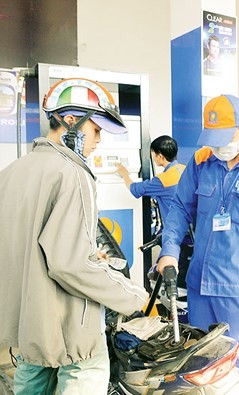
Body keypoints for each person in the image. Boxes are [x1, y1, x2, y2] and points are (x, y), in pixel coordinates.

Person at [0, 78, 148, 393]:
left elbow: (30, 248)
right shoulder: (73, 173)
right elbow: (70, 264)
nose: (99, 140)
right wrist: (133, 295)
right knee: (88, 374)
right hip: (71, 324)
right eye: (96, 130)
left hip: (29, 325)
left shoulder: (12, 172)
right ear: (71, 122)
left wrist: (87, 254)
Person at [156, 94, 239, 391]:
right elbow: (180, 208)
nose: (218, 147)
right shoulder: (201, 160)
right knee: (202, 366)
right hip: (199, 287)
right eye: (212, 138)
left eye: (224, 137)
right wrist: (169, 251)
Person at [115, 135, 191, 287]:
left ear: (160, 156)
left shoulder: (162, 180)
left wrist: (124, 174)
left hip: (175, 234)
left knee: (169, 273)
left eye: (153, 155)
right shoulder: (185, 170)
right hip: (191, 233)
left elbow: (135, 189)